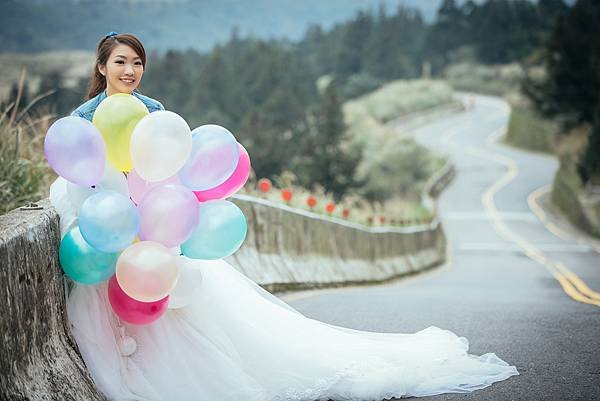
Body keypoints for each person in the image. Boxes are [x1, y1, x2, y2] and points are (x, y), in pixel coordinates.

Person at [50, 32, 519, 401]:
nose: (130, 70)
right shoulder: (84, 118)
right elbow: (81, 181)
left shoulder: (156, 112)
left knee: (169, 309)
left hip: (154, 235)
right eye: (121, 62)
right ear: (101, 67)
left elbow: (170, 170)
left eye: (137, 63)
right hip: (110, 234)